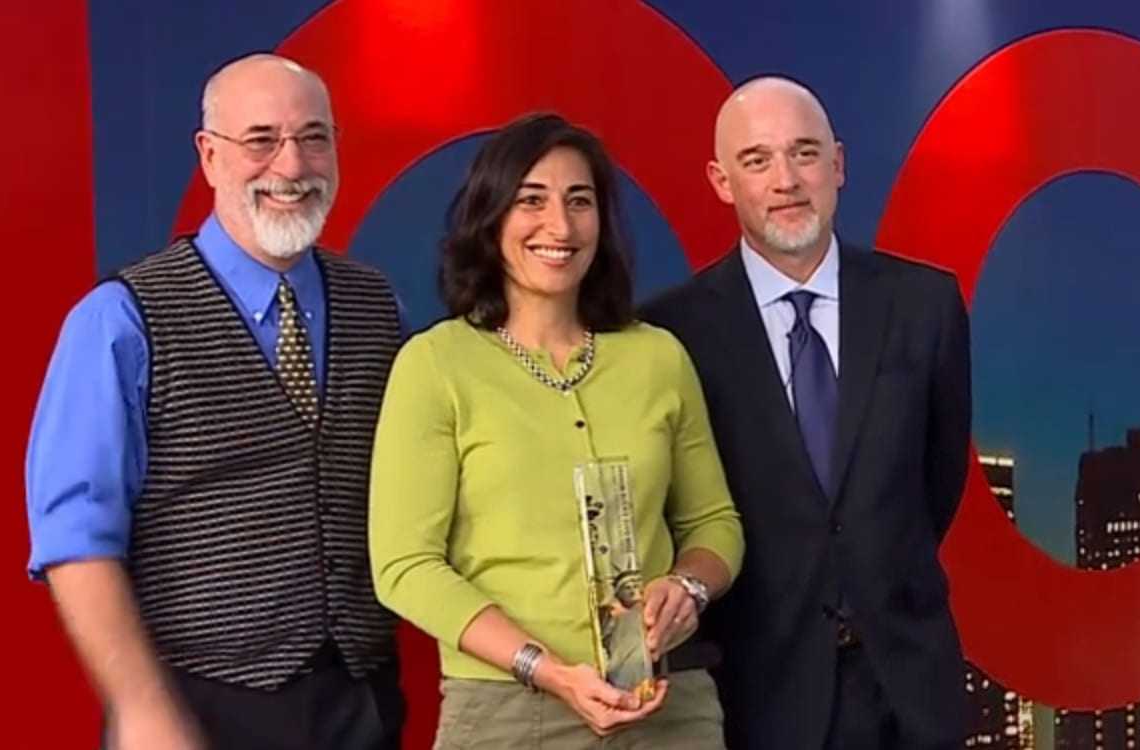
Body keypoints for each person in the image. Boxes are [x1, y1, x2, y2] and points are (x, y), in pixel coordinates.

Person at [24, 53, 406, 750]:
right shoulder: (120, 320)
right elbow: (75, 540)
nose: (291, 166)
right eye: (261, 139)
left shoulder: (376, 304)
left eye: (313, 137)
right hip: (197, 710)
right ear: (208, 155)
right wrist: (140, 708)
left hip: (364, 702)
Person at [369, 112, 744, 749]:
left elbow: (716, 523)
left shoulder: (658, 358)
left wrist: (687, 588)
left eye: (580, 201)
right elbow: (405, 566)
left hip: (668, 707)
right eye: (531, 201)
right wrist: (545, 670)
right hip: (507, 715)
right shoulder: (437, 365)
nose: (560, 227)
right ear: (489, 219)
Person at [640, 76, 974, 749]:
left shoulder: (925, 306)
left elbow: (937, 484)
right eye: (757, 161)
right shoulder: (671, 334)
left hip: (911, 691)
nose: (786, 179)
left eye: (805, 153)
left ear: (839, 165)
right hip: (759, 695)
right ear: (721, 180)